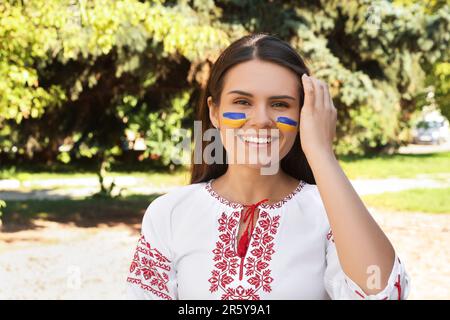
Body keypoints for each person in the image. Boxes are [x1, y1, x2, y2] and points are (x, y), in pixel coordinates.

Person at [126, 33, 410, 300]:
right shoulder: (169, 214)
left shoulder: (329, 212)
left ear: (303, 114)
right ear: (214, 112)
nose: (261, 119)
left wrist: (322, 152)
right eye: (242, 101)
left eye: (279, 104)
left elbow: (383, 293)